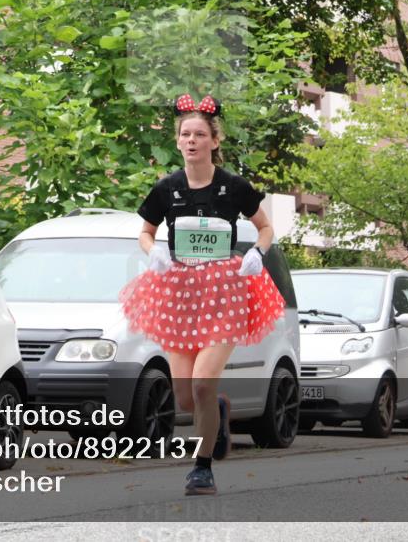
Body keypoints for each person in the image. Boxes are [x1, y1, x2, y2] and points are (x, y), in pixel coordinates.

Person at [119, 94, 286, 496]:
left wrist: (257, 255)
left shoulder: (233, 186)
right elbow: (145, 231)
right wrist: (153, 250)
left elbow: (266, 227)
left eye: (199, 134)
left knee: (202, 385)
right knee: (184, 396)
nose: (191, 140)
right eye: (184, 134)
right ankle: (219, 413)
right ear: (177, 142)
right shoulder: (167, 188)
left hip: (224, 290)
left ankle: (202, 468)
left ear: (213, 140)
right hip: (178, 291)